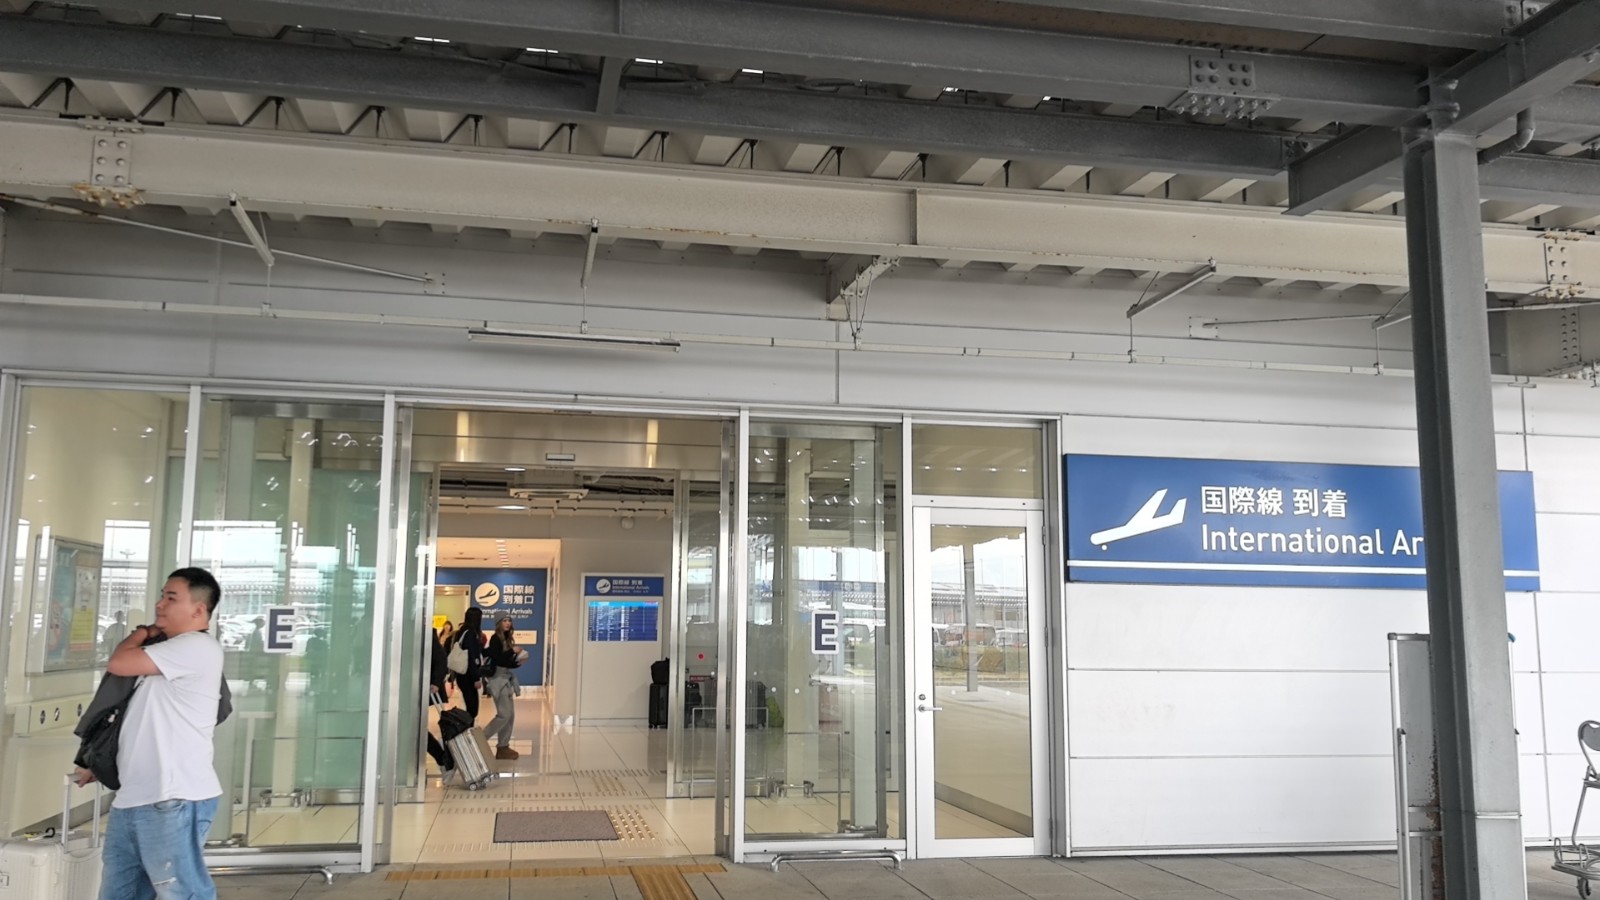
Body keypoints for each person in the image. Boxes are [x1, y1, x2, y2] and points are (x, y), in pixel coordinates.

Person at [77, 567, 225, 900]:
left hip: (172, 797)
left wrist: (141, 632)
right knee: (120, 893)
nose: (160, 604)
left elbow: (119, 663)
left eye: (171, 598)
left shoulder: (196, 647)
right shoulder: (166, 652)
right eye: (162, 596)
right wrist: (96, 760)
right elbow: (139, 720)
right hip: (135, 798)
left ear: (198, 610)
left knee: (183, 893)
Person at [483, 616, 524, 760]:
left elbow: (506, 661)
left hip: (505, 678)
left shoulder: (507, 638)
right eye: (504, 620)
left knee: (510, 715)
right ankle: (481, 739)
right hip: (497, 679)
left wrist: (518, 661)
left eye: (509, 620)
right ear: (498, 623)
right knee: (504, 714)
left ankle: (503, 746)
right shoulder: (495, 639)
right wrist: (512, 651)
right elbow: (498, 659)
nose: (507, 623)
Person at [425, 627, 454, 780]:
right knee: (414, 730)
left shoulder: (425, 633)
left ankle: (442, 759)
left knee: (415, 730)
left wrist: (436, 682)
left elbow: (441, 659)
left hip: (420, 689)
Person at [454, 607, 487, 724]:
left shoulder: (461, 632)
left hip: (461, 674)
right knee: (472, 709)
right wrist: (476, 678)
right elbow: (471, 657)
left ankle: (465, 728)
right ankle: (462, 728)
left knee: (470, 706)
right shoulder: (470, 634)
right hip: (468, 676)